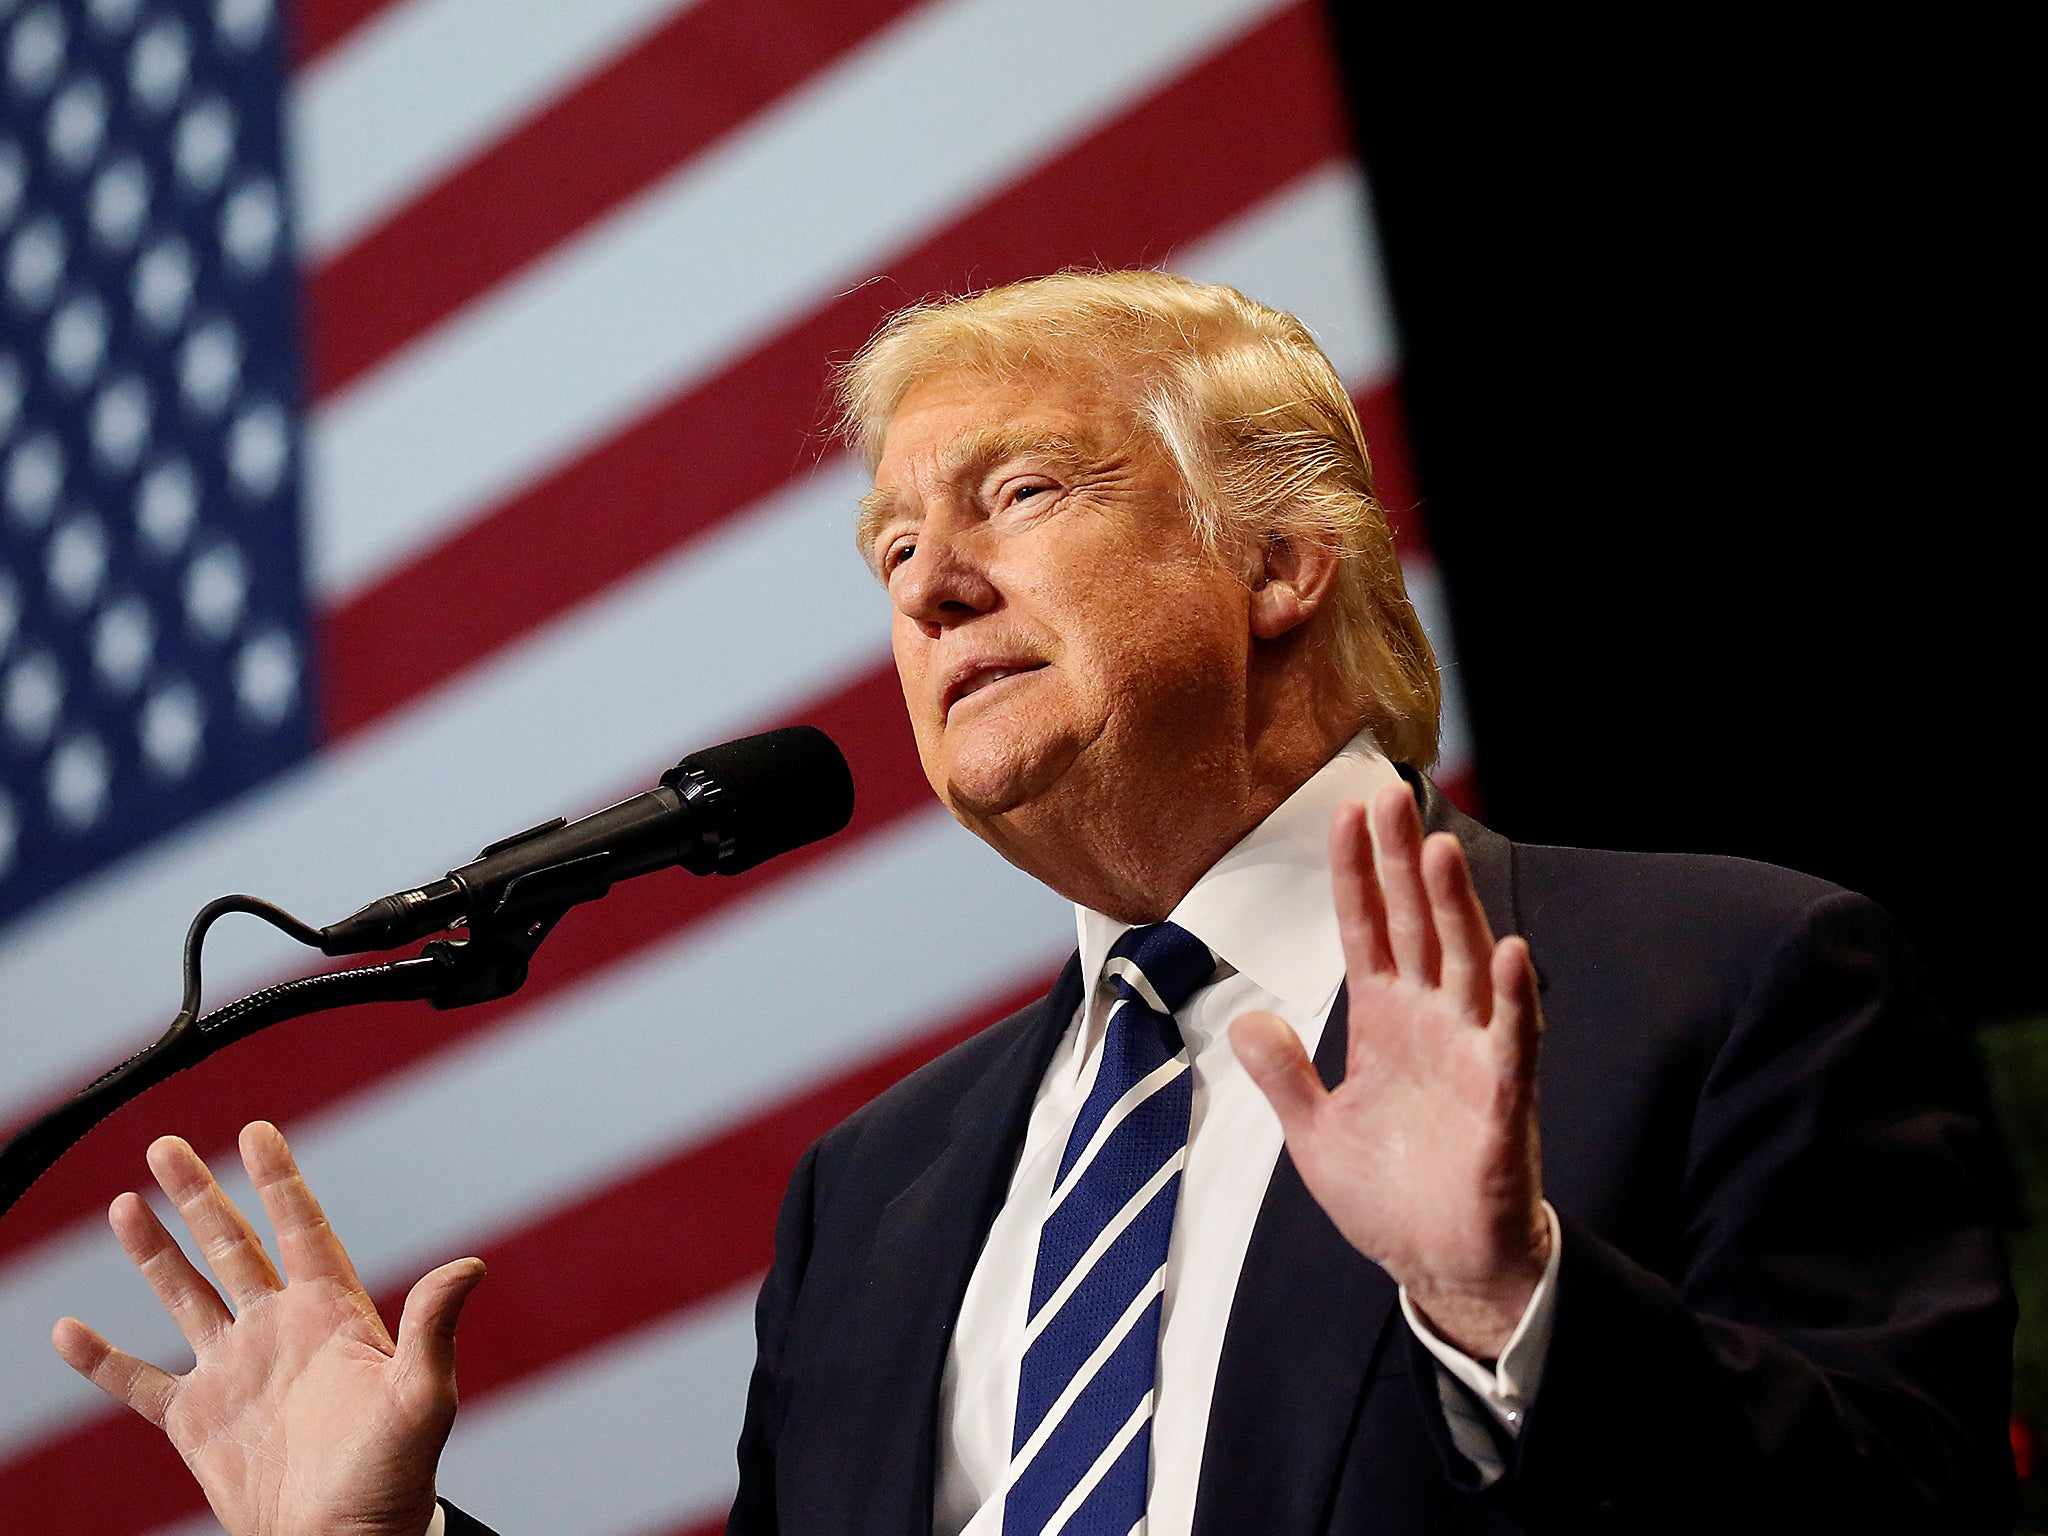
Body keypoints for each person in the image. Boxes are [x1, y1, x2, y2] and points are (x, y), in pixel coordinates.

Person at [52, 273, 2013, 1534]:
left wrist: (1512, 1307)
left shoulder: (1727, 979)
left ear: (1279, 562)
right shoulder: (873, 1197)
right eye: (893, 545)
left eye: (1017, 497)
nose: (924, 589)